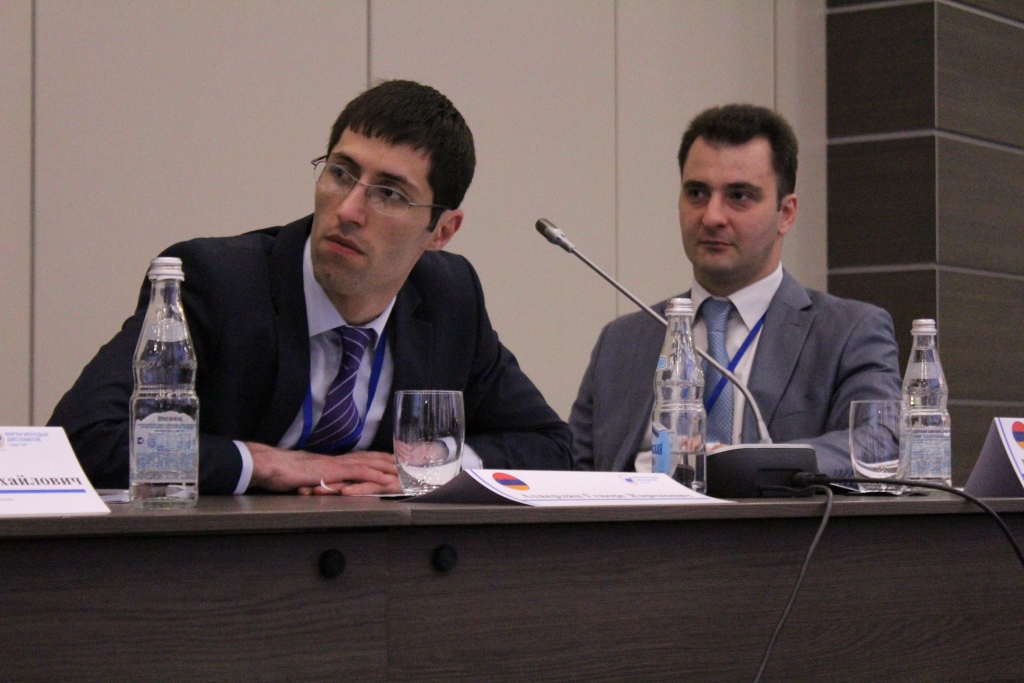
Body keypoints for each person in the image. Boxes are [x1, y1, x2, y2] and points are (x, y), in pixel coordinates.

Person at [49, 79, 572, 495]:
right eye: (341, 173)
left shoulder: (449, 298)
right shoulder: (216, 281)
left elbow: (550, 445)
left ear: (442, 231)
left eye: (389, 194)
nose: (348, 210)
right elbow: (83, 440)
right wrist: (262, 462)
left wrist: (429, 464)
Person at [569, 104, 901, 477]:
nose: (712, 216)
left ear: (786, 213)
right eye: (697, 193)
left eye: (739, 196)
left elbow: (878, 442)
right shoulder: (622, 342)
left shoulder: (848, 332)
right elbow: (572, 474)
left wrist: (748, 463)